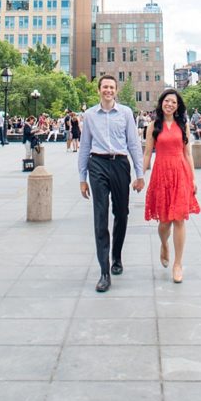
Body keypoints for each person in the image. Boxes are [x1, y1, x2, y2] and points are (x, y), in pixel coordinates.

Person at [78, 75, 144, 293]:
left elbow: (134, 144)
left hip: (120, 164)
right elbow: (84, 146)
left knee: (122, 213)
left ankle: (116, 256)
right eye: (104, 87)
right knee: (100, 215)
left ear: (116, 91)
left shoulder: (125, 113)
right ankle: (104, 271)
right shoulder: (89, 115)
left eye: (111, 87)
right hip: (97, 163)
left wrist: (139, 174)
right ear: (99, 90)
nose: (108, 90)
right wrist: (82, 178)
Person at [144, 88, 200, 284]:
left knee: (179, 220)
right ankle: (164, 244)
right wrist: (139, 175)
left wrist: (193, 178)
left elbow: (188, 153)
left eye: (174, 102)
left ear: (178, 107)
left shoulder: (183, 125)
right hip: (161, 173)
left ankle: (178, 264)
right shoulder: (153, 126)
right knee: (164, 222)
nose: (170, 104)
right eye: (167, 101)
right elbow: (147, 154)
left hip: (180, 172)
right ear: (161, 103)